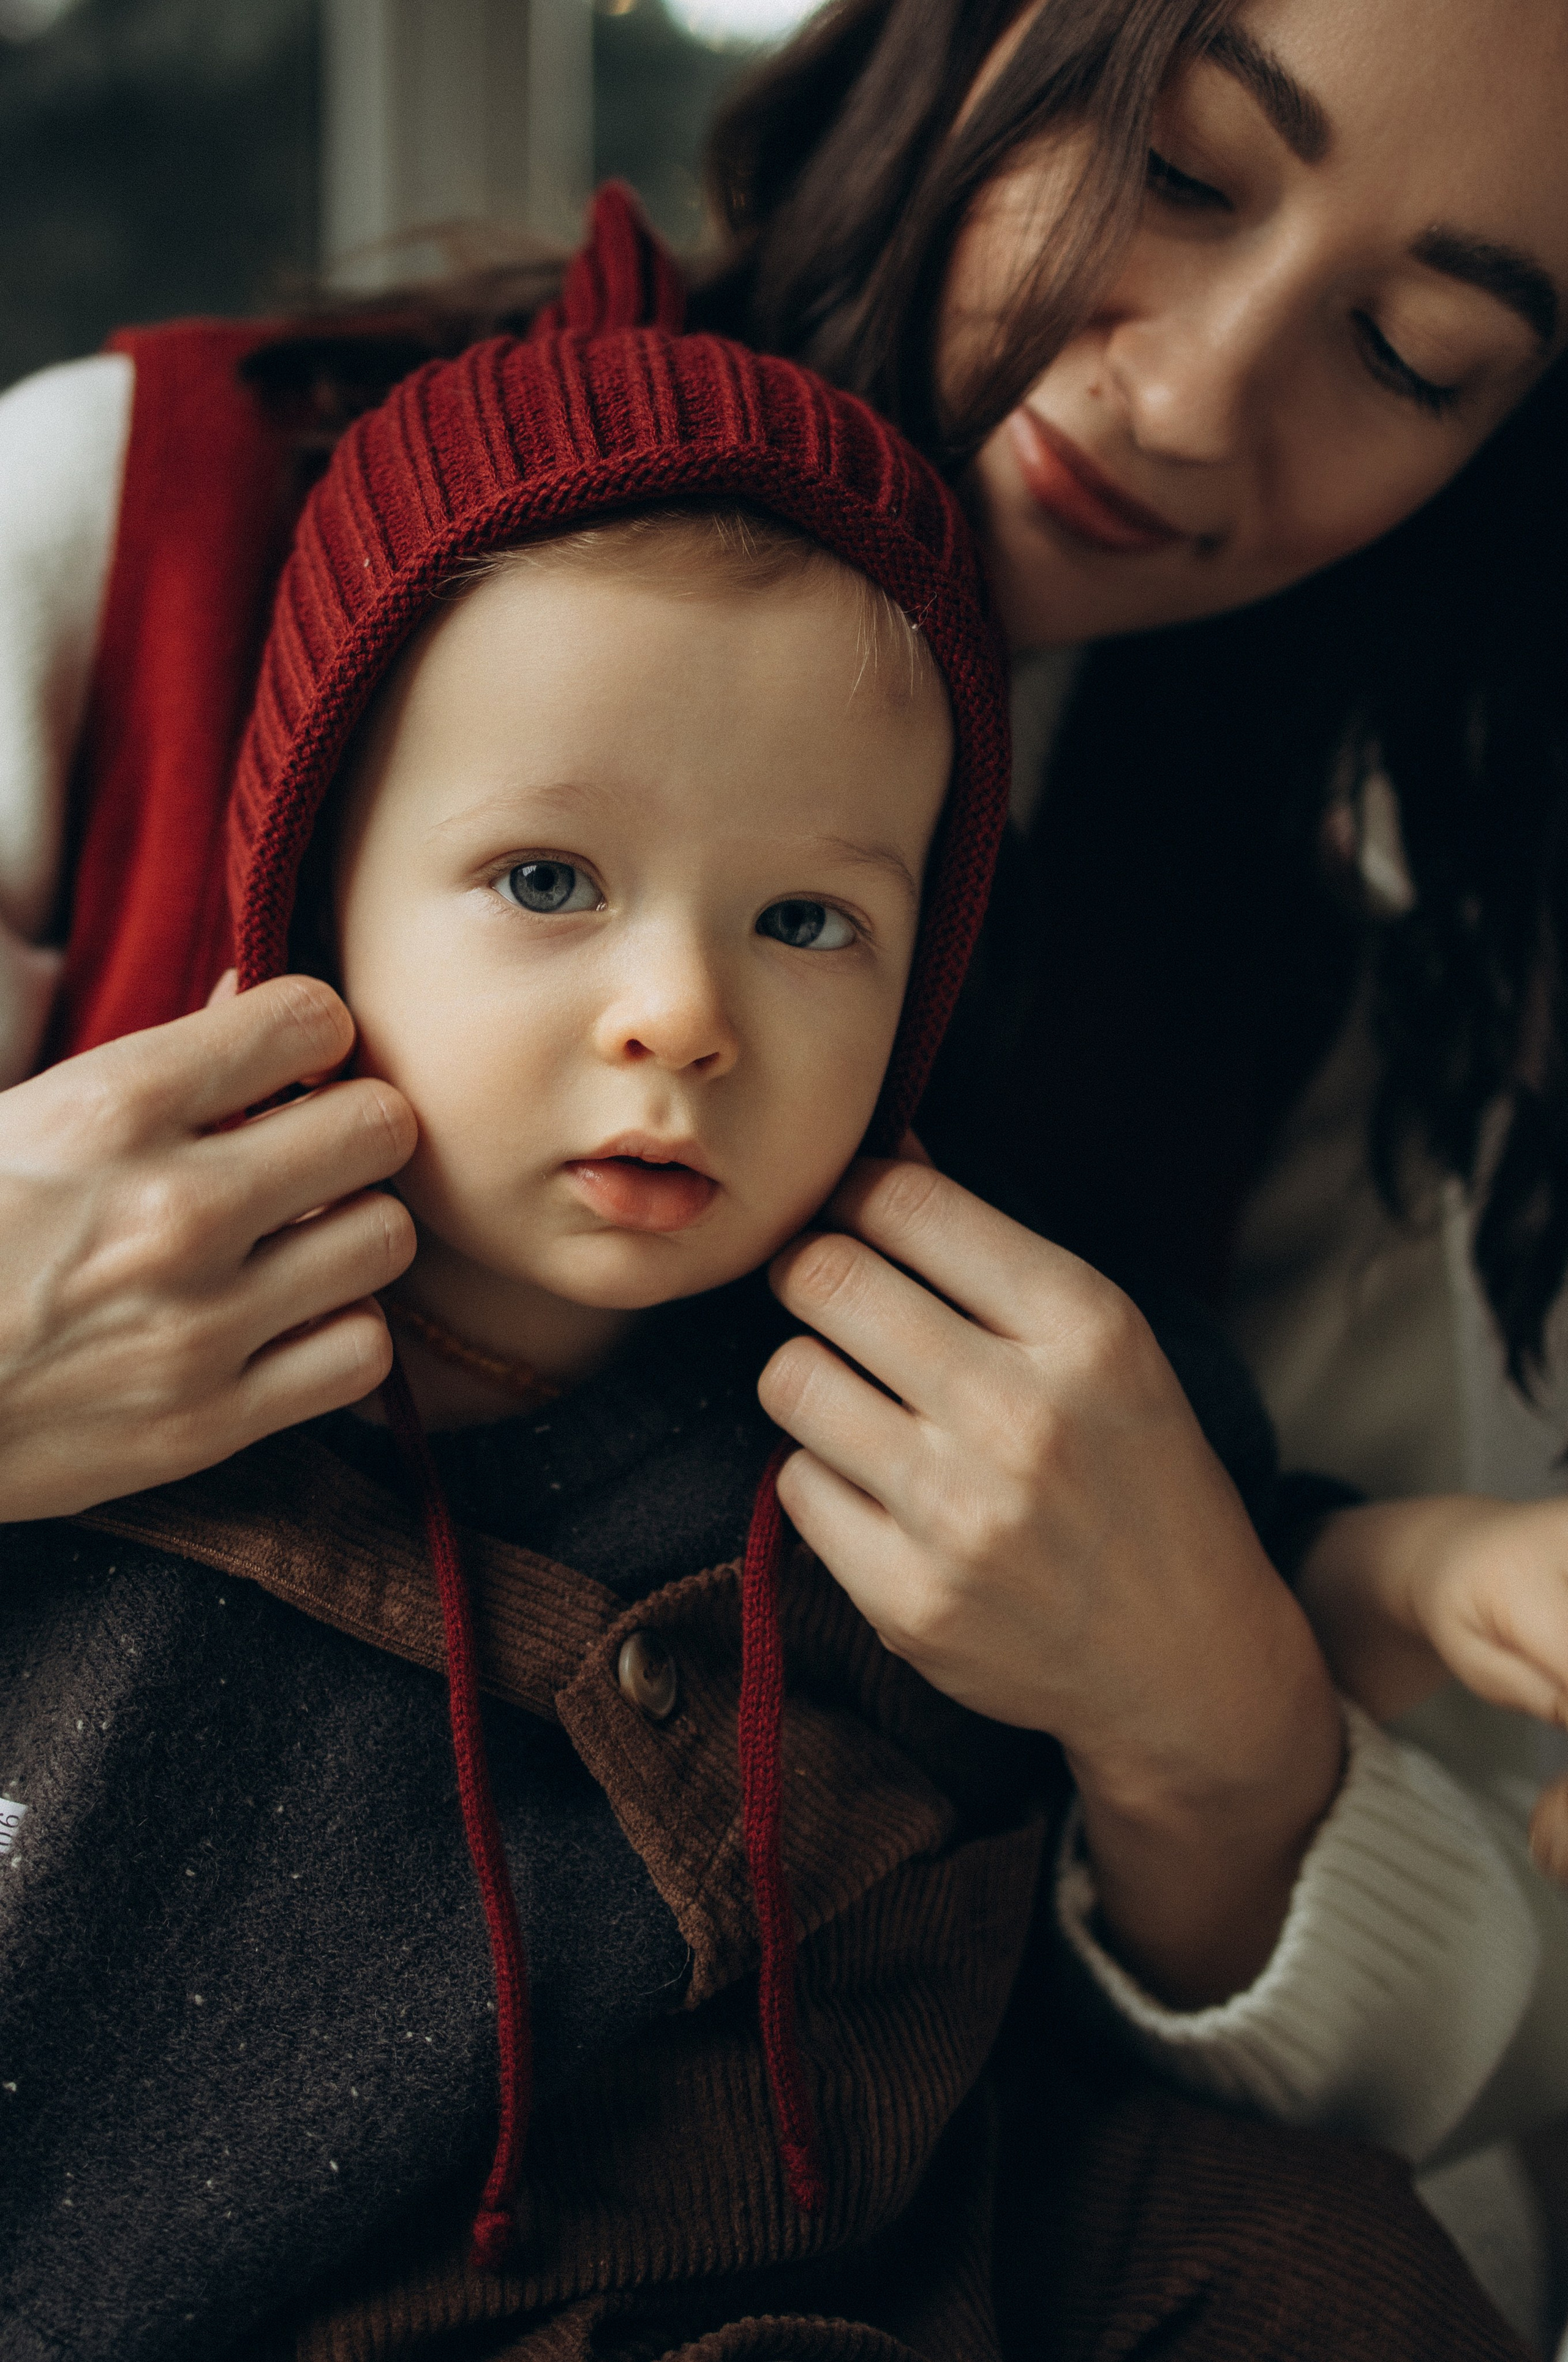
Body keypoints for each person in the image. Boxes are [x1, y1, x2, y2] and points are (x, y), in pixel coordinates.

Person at [1, 0, 1566, 2330]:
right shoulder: (123, 531)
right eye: (1189, 171)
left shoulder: (1305, 981)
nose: (1198, 388)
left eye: (1413, 353)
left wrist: (1219, 1738)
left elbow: (1469, 2104)